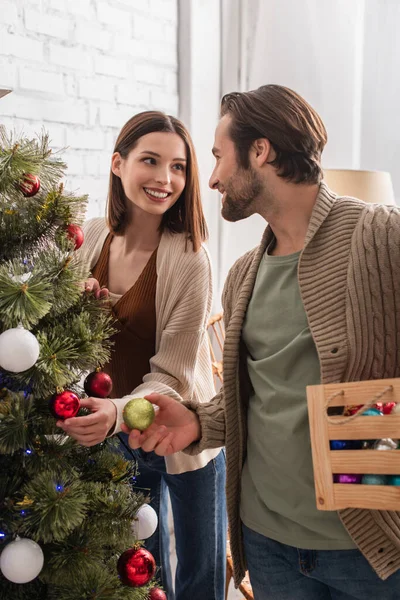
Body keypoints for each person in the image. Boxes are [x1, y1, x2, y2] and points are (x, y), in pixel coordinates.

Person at [122, 86, 400, 600]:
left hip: (369, 551)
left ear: (260, 151)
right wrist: (198, 421)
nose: (211, 179)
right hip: (268, 546)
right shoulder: (243, 274)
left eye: (217, 157)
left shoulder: (379, 235)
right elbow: (255, 398)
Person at [58, 111, 227, 600]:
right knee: (140, 575)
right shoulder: (89, 237)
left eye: (178, 167)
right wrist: (78, 307)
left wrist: (116, 413)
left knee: (200, 573)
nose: (165, 179)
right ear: (118, 164)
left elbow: (171, 373)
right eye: (150, 161)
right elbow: (63, 345)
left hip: (180, 433)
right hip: (112, 437)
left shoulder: (191, 257)